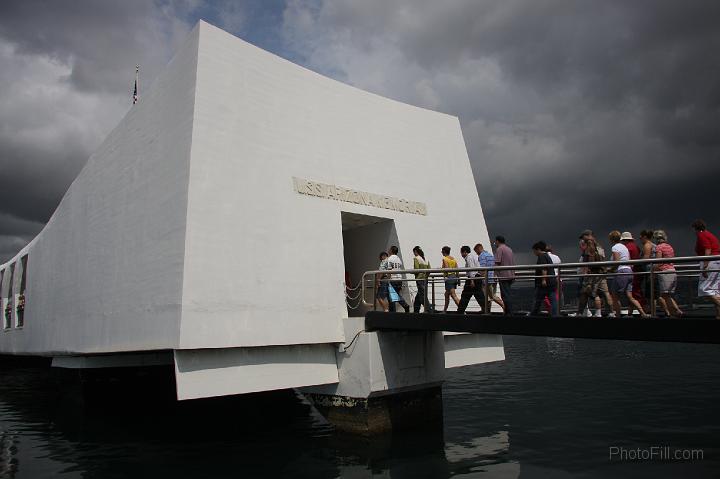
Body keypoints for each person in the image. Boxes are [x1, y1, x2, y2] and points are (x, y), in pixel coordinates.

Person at [574, 230, 614, 317]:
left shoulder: (589, 244)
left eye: (583, 237)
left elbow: (590, 259)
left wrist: (586, 272)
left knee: (584, 293)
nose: (583, 239)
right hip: (601, 273)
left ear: (588, 236)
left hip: (592, 274)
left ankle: (580, 313)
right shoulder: (599, 246)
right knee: (605, 293)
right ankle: (611, 312)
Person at [608, 230, 648, 317]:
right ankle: (643, 313)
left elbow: (617, 262)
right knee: (630, 296)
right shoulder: (624, 247)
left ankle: (617, 315)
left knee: (614, 296)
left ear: (611, 239)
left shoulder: (615, 247)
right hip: (629, 272)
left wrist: (610, 270)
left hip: (621, 272)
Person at [692, 219, 720, 319]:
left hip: (711, 262)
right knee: (714, 290)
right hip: (716, 262)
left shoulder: (702, 235)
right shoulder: (708, 234)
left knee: (704, 289)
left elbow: (708, 249)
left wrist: (705, 266)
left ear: (696, 228)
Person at [653, 230, 683, 317]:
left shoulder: (659, 247)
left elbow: (658, 262)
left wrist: (653, 271)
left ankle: (675, 312)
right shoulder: (669, 246)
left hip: (665, 273)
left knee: (664, 296)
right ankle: (676, 311)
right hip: (672, 271)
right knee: (667, 295)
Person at [530, 241, 558, 316]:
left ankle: (533, 314)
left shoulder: (541, 256)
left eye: (534, 251)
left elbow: (544, 269)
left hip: (544, 284)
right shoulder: (547, 256)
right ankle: (555, 315)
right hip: (552, 281)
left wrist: (543, 280)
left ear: (538, 249)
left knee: (537, 300)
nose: (534, 253)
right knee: (553, 300)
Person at [475, 243, 504, 313]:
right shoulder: (490, 255)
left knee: (492, 296)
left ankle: (504, 307)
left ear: (479, 249)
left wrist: (481, 278)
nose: (477, 254)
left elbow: (483, 268)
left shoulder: (482, 256)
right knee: (488, 297)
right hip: (493, 278)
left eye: (476, 251)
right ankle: (487, 311)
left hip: (487, 279)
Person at [621, 231, 646, 308]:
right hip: (638, 270)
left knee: (634, 292)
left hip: (633, 271)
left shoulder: (627, 247)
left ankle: (641, 309)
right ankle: (634, 309)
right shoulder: (636, 246)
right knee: (636, 291)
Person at [457, 245, 484, 313]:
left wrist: (472, 281)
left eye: (461, 253)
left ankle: (460, 311)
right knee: (478, 295)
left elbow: (471, 269)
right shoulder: (473, 256)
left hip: (473, 278)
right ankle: (486, 309)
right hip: (477, 278)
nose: (461, 255)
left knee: (465, 295)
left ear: (465, 252)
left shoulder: (469, 258)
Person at [493, 236, 515, 315]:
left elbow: (497, 262)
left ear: (498, 241)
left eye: (495, 242)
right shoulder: (509, 249)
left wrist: (494, 275)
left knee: (505, 295)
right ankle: (510, 311)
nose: (495, 243)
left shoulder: (499, 249)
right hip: (511, 275)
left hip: (503, 275)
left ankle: (509, 312)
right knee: (508, 293)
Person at [386, 245, 410, 313]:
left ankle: (394, 311)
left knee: (392, 296)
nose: (388, 250)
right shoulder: (398, 259)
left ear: (391, 251)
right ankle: (404, 305)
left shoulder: (390, 258)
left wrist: (388, 279)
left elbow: (389, 270)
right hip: (399, 279)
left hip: (393, 279)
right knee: (395, 295)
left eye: (389, 249)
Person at [638, 230, 657, 306]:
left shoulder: (647, 245)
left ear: (645, 236)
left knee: (651, 294)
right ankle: (653, 311)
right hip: (653, 270)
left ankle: (653, 312)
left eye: (641, 237)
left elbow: (646, 258)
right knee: (653, 294)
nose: (640, 238)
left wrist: (637, 262)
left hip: (650, 271)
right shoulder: (654, 245)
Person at [412, 246, 432, 313]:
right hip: (425, 280)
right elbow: (429, 270)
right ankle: (416, 311)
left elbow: (416, 270)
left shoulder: (416, 258)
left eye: (414, 252)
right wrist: (426, 276)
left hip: (419, 280)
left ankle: (429, 310)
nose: (414, 254)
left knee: (422, 296)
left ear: (415, 252)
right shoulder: (425, 259)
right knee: (419, 296)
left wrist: (411, 272)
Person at [441, 246, 461, 312]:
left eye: (442, 252)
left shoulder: (445, 259)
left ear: (444, 252)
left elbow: (446, 268)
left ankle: (462, 309)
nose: (442, 253)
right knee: (446, 294)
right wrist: (458, 279)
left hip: (449, 278)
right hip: (454, 277)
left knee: (453, 295)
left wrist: (442, 269)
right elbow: (457, 269)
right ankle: (444, 310)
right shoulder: (453, 259)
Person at [544, 245, 562, 313]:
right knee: (556, 297)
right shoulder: (557, 257)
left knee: (546, 297)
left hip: (549, 279)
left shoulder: (544, 257)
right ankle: (556, 311)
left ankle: (551, 311)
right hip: (558, 278)